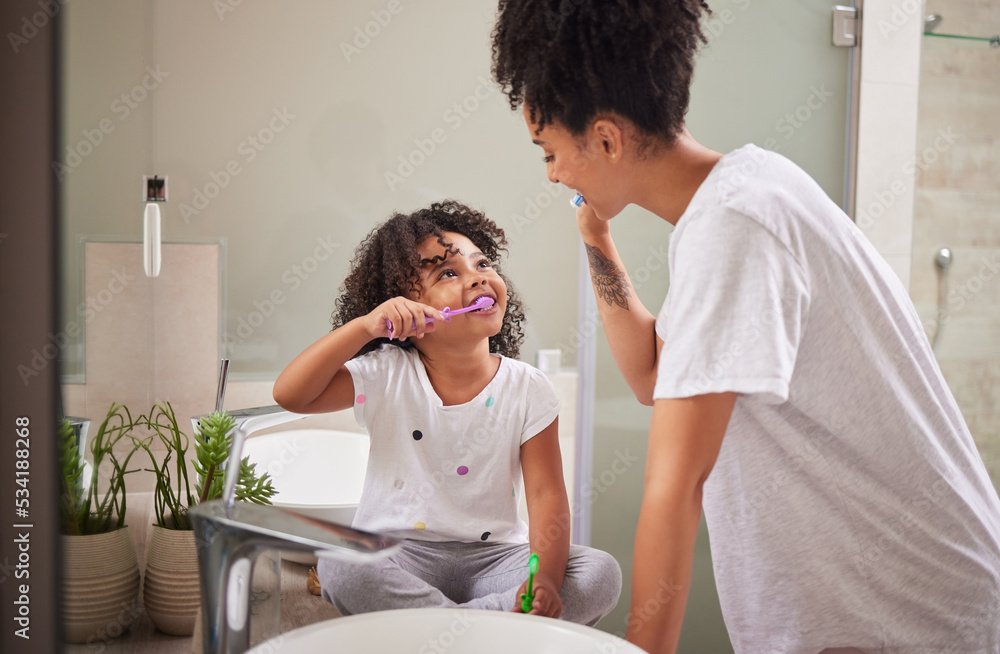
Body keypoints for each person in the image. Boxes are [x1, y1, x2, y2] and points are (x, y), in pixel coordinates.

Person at [490, 1, 1000, 653]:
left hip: (900, 612)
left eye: (550, 151)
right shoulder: (741, 197)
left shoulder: (736, 228)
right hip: (893, 597)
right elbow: (651, 372)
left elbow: (674, 486)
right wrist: (596, 235)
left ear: (608, 139)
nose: (554, 173)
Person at [273, 200, 621, 625]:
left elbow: (548, 498)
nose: (477, 277)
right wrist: (365, 327)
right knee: (340, 565)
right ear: (404, 305)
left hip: (496, 561)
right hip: (398, 554)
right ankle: (486, 629)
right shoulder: (386, 374)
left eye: (483, 263)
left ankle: (441, 629)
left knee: (599, 572)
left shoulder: (528, 387)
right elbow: (292, 394)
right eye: (448, 273)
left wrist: (542, 578)